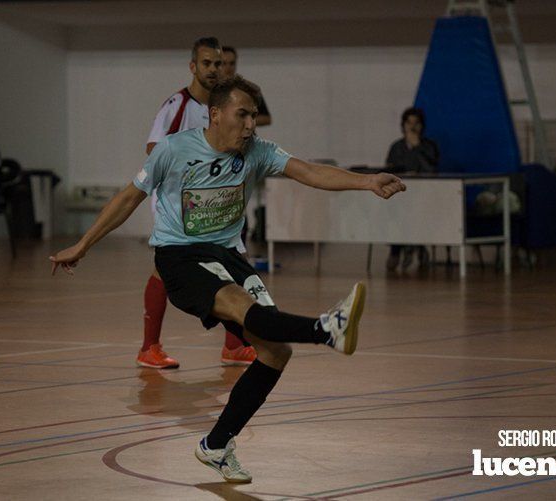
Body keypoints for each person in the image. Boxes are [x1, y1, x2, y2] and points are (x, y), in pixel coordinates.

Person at [50, 75, 406, 483]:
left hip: (229, 256)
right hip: (180, 258)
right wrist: (83, 245)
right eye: (243, 114)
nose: (252, 124)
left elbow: (308, 171)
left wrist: (367, 181)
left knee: (275, 353)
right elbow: (129, 197)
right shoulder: (173, 149)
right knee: (246, 310)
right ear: (216, 115)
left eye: (254, 115)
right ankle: (327, 329)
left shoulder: (257, 151)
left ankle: (217, 444)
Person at [141, 37, 255, 370]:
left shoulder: (224, 106)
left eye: (219, 63)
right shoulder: (177, 105)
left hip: (215, 202)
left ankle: (234, 345)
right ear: (193, 66)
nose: (214, 69)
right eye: (207, 63)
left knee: (232, 263)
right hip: (179, 202)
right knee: (164, 269)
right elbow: (153, 149)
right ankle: (149, 347)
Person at [385, 107, 438, 272]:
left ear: (422, 126)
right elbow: (388, 170)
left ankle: (418, 246)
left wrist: (417, 149)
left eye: (416, 123)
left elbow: (432, 170)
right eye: (409, 123)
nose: (412, 127)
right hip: (400, 195)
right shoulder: (396, 147)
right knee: (395, 212)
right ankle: (396, 249)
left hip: (423, 195)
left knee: (417, 211)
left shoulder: (429, 146)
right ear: (403, 125)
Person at [220, 46, 271, 126]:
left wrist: (241, 120)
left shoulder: (248, 89)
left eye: (232, 63)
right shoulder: (209, 90)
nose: (228, 68)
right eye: (224, 63)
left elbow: (266, 118)